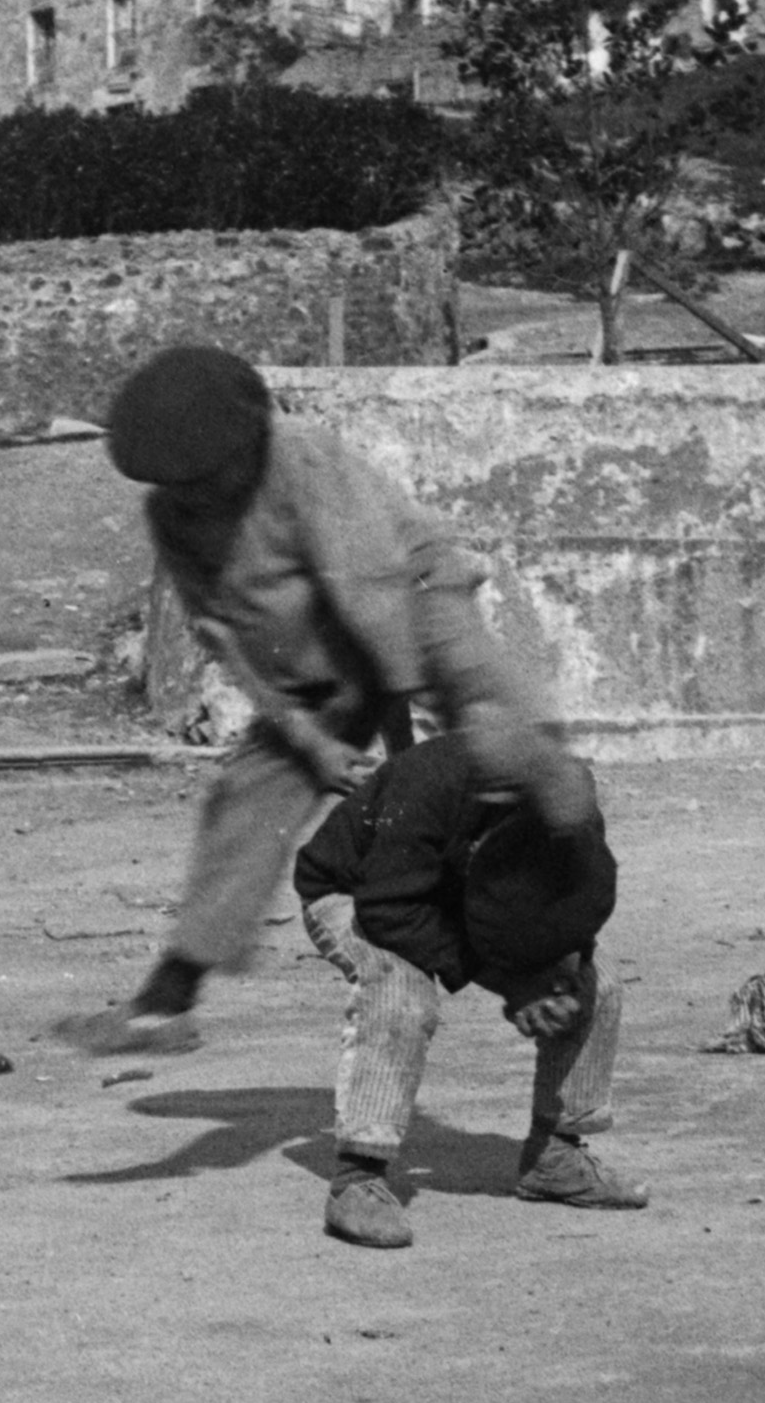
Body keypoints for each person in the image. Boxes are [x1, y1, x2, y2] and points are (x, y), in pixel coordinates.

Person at [74, 344, 589, 1055]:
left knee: (486, 734)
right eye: (176, 483)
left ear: (251, 439)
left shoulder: (303, 459)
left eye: (206, 476)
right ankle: (168, 999)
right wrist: (311, 743)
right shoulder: (173, 517)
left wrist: (413, 737)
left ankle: (547, 863)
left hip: (410, 598)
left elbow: (368, 585)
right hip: (315, 660)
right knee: (247, 794)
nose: (193, 495)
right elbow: (222, 631)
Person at [289, 730, 637, 1250]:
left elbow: (578, 906)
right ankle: (358, 1179)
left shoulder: (570, 803)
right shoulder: (430, 782)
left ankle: (557, 1156)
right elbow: (389, 913)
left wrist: (563, 969)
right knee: (401, 992)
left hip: (461, 900)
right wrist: (513, 982)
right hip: (360, 891)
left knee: (599, 983)